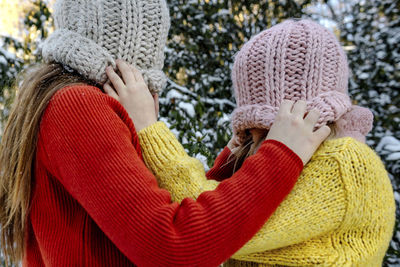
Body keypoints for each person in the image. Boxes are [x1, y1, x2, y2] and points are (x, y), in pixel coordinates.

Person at [0, 1, 330, 267]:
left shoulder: (56, 102)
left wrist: (228, 168)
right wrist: (282, 155)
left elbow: (143, 218)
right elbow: (175, 244)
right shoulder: (79, 105)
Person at [106, 20, 396, 266]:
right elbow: (218, 199)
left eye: (267, 131)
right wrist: (231, 158)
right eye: (250, 134)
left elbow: (209, 227)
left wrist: (148, 128)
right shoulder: (307, 157)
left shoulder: (343, 162)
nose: (257, 147)